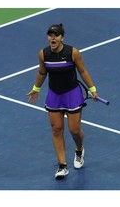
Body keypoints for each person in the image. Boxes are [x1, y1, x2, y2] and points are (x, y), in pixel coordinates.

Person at [27, 23, 98, 179]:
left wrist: (92, 89)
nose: (53, 37)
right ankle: (62, 166)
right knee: (56, 129)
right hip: (54, 95)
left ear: (62, 37)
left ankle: (79, 150)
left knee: (74, 130)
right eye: (50, 35)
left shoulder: (73, 53)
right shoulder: (43, 54)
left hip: (72, 94)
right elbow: (42, 72)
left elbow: (83, 71)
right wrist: (36, 88)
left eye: (56, 35)